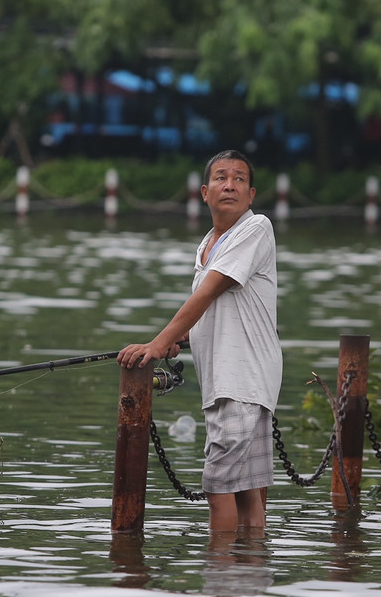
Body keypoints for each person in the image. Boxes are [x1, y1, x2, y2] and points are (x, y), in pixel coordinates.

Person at [118, 150, 283, 535]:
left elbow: (207, 293)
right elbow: (220, 309)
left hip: (242, 378)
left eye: (239, 179)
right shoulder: (209, 243)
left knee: (219, 486)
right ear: (205, 193)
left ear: (252, 193)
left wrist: (158, 343)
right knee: (245, 491)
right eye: (222, 178)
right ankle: (246, 580)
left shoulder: (255, 228)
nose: (230, 185)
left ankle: (220, 577)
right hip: (230, 380)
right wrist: (184, 338)